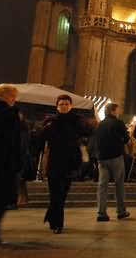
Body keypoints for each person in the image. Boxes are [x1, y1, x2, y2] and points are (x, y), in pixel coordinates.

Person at [41, 94, 87, 234]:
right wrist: (46, 128)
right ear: (57, 106)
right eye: (61, 104)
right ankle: (57, 224)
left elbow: (86, 132)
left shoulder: (76, 120)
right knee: (56, 193)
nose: (64, 106)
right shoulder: (51, 121)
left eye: (66, 104)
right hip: (55, 161)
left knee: (63, 193)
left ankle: (51, 215)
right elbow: (42, 138)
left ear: (71, 106)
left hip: (70, 162)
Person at [95, 103, 130, 222]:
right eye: (117, 110)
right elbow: (126, 138)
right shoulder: (118, 123)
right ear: (113, 111)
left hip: (102, 158)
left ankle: (101, 212)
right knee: (119, 184)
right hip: (116, 156)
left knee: (102, 186)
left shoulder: (100, 124)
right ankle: (121, 211)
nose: (119, 113)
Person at [0, 84, 21, 246]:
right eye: (14, 97)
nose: (15, 100)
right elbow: (13, 143)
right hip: (2, 165)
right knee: (0, 198)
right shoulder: (10, 114)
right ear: (8, 96)